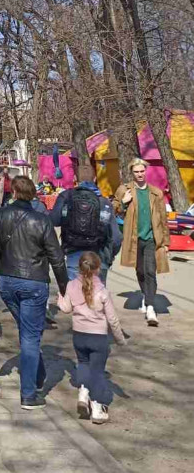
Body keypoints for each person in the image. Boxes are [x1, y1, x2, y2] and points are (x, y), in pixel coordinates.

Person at [0, 175, 68, 409]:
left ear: (14, 193)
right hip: (33, 282)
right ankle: (28, 394)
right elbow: (56, 256)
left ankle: (38, 375)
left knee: (27, 331)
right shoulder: (42, 220)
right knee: (30, 336)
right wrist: (64, 288)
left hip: (7, 281)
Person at [58, 251, 127, 424]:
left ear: (79, 267)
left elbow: (66, 309)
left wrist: (60, 298)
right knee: (97, 372)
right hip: (98, 338)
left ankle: (83, 392)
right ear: (97, 269)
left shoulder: (72, 285)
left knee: (83, 363)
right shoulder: (102, 290)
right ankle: (97, 408)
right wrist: (119, 339)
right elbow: (112, 319)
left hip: (79, 336)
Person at [113, 158, 170, 326]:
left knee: (151, 271)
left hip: (152, 238)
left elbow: (163, 219)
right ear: (132, 173)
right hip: (134, 239)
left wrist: (166, 242)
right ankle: (146, 295)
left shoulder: (156, 193)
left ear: (146, 171)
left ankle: (150, 307)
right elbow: (114, 209)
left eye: (142, 171)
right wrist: (123, 203)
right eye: (136, 171)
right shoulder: (125, 190)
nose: (139, 174)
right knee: (140, 271)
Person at [49, 163, 122, 282]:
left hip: (73, 254)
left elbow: (54, 220)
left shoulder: (66, 197)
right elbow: (116, 237)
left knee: (75, 292)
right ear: (95, 178)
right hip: (98, 256)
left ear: (75, 179)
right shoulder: (103, 202)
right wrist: (110, 255)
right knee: (97, 292)